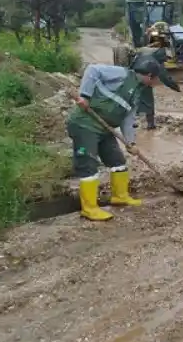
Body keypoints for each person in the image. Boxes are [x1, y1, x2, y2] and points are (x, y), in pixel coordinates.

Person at [67, 57, 163, 221]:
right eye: (156, 79)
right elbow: (92, 70)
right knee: (88, 165)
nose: (157, 82)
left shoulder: (138, 91)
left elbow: (128, 119)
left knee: (117, 161)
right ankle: (89, 208)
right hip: (85, 125)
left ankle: (120, 196)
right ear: (149, 75)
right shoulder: (122, 74)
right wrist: (85, 96)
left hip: (105, 128)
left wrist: (130, 143)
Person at [130, 47, 181, 130]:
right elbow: (165, 78)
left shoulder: (147, 52)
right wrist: (176, 87)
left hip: (132, 76)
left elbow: (131, 64)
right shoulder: (156, 63)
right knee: (148, 101)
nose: (166, 61)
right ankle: (151, 124)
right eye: (166, 58)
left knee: (133, 100)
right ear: (163, 56)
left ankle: (131, 122)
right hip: (144, 79)